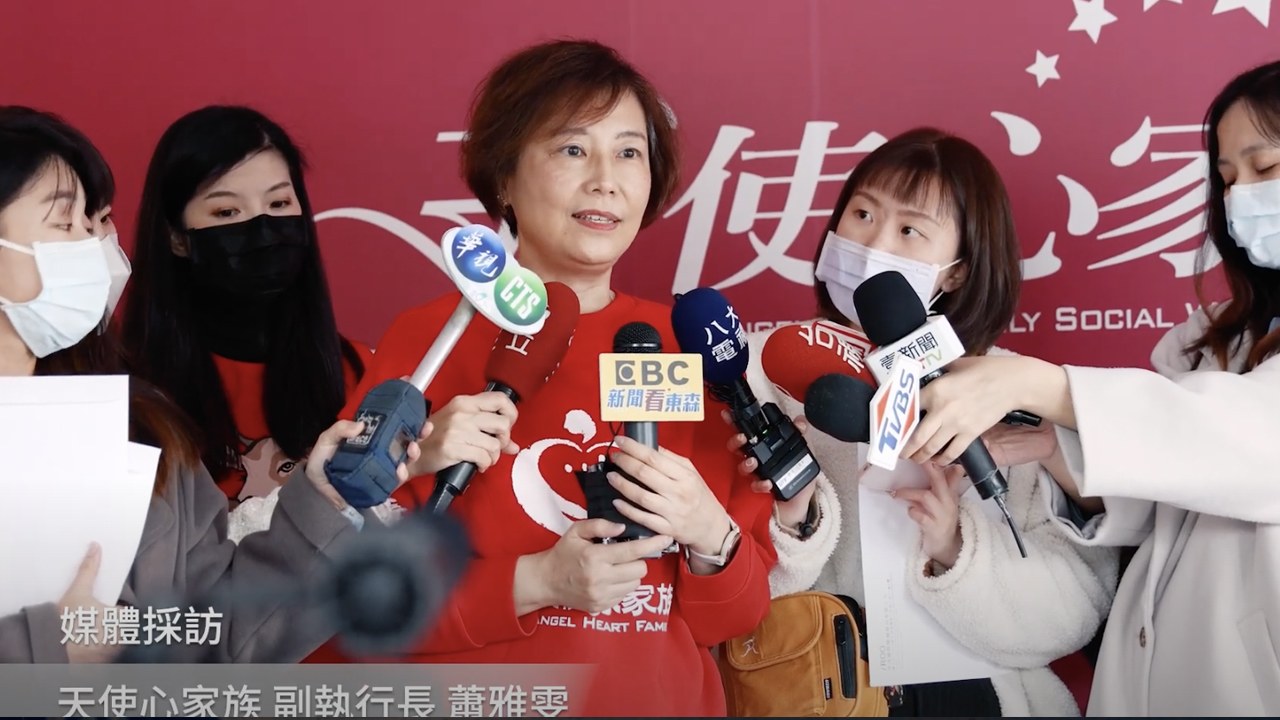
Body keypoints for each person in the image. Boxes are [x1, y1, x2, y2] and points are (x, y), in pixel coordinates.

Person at [305, 39, 777, 717]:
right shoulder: (432, 339)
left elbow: (732, 617)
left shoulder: (685, 344)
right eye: (573, 149)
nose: (606, 180)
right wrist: (536, 582)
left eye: (629, 152)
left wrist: (712, 536)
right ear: (504, 177)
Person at [898, 60, 1280, 717]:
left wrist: (1040, 384)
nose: (1241, 194)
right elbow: (1171, 498)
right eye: (1226, 178)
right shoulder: (1217, 339)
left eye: (1264, 166)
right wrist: (1060, 452)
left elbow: (1254, 441)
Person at [0, 106, 430, 664]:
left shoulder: (144, 426)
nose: (92, 244)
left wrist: (325, 499)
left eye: (94, 221)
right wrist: (40, 650)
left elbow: (222, 635)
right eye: (64, 224)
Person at [734, 128, 1119, 716]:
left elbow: (1075, 605)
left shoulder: (1011, 391)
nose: (874, 242)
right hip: (816, 691)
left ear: (957, 271)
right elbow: (721, 580)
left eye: (910, 229)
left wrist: (954, 549)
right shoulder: (762, 371)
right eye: (863, 214)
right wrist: (796, 518)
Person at [119, 106, 373, 513]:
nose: (263, 229)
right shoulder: (127, 388)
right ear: (177, 238)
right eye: (227, 212)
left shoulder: (359, 371)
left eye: (279, 203)